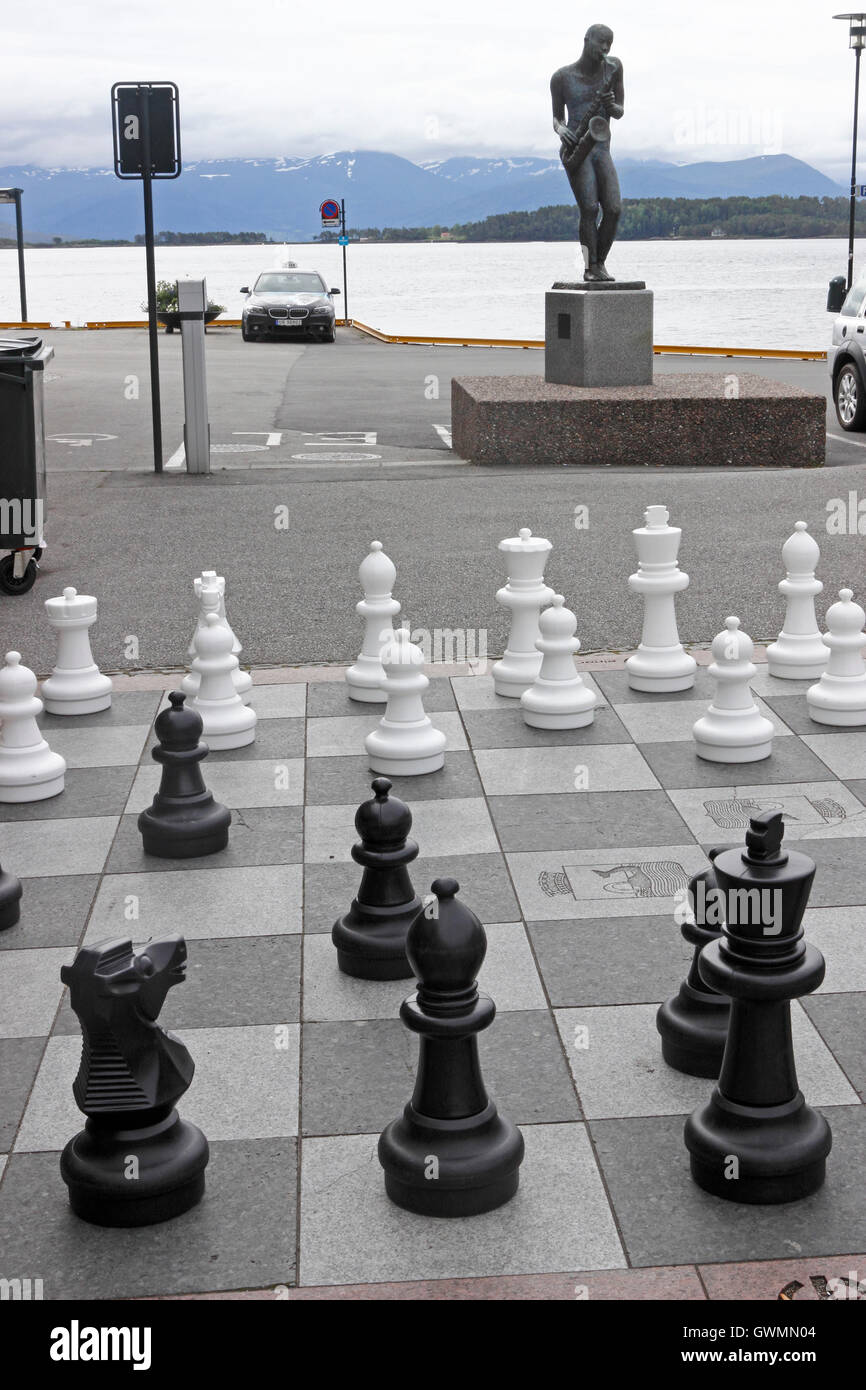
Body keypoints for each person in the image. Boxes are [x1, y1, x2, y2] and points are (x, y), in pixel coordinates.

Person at [551, 23, 624, 282]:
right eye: (600, 42)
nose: (605, 48)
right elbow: (557, 119)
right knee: (590, 209)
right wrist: (561, 131)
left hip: (602, 148)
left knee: (614, 209)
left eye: (609, 44)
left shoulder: (614, 68)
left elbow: (619, 111)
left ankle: (600, 263)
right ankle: (589, 267)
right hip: (577, 148)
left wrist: (610, 104)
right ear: (586, 41)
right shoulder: (561, 77)